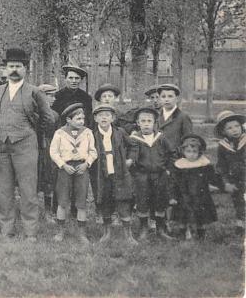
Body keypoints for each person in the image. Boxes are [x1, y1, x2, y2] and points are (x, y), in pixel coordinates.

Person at [0, 48, 57, 242]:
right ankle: (6, 230)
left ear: (25, 69)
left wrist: (34, 134)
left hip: (26, 147)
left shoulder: (34, 92)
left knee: (28, 191)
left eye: (18, 66)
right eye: (11, 66)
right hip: (1, 148)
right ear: (5, 69)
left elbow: (48, 118)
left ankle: (30, 232)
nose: (14, 70)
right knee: (4, 192)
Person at [49, 103, 97, 243]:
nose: (81, 121)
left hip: (82, 168)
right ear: (68, 120)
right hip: (65, 168)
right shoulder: (60, 133)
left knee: (81, 201)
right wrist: (63, 165)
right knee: (62, 201)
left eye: (82, 118)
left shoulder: (87, 132)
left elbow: (93, 151)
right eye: (78, 119)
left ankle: (82, 233)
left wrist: (87, 163)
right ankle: (60, 232)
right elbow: (53, 152)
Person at [91, 105, 137, 245]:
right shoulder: (92, 135)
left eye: (107, 115)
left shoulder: (120, 132)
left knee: (123, 201)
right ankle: (107, 233)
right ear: (95, 118)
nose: (104, 117)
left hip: (120, 174)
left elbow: (134, 146)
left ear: (113, 118)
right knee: (105, 202)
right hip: (102, 175)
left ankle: (128, 235)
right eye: (100, 115)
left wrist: (130, 159)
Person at [127, 106, 174, 241]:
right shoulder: (135, 139)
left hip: (159, 174)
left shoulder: (161, 138)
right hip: (142, 175)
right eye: (143, 121)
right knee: (142, 200)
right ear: (138, 123)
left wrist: (168, 169)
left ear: (154, 123)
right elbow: (131, 155)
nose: (146, 124)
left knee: (160, 199)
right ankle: (144, 228)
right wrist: (133, 169)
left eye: (149, 121)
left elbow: (172, 154)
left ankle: (160, 228)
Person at [171, 134, 222, 241]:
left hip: (201, 196)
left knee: (201, 217)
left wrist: (222, 185)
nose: (191, 155)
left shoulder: (204, 165)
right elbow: (174, 183)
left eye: (194, 152)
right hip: (184, 196)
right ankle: (182, 234)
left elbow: (213, 178)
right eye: (188, 151)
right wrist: (173, 196)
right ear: (183, 152)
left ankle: (201, 236)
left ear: (199, 152)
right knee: (183, 216)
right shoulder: (180, 166)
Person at [214, 110, 246, 235]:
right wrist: (226, 182)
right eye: (230, 128)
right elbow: (221, 166)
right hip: (235, 179)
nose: (234, 130)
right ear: (223, 132)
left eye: (237, 126)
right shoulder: (223, 146)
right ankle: (240, 224)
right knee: (238, 201)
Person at [37, 84, 58, 220]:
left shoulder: (54, 114)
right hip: (34, 147)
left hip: (49, 148)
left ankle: (48, 211)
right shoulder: (33, 113)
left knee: (49, 178)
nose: (53, 99)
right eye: (49, 95)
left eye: (53, 96)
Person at [156, 84, 194, 156]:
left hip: (174, 159)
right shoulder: (156, 116)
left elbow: (189, 141)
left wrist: (177, 154)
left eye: (170, 96)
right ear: (160, 99)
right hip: (157, 160)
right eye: (163, 96)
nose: (166, 99)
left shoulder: (183, 117)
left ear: (177, 99)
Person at [51, 65, 92, 129]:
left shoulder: (86, 98)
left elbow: (88, 118)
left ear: (80, 80)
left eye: (77, 78)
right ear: (65, 79)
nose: (74, 81)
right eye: (70, 78)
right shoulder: (57, 96)